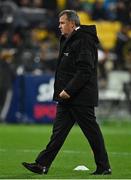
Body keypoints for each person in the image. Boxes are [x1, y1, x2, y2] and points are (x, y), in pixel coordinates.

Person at [22, 9, 111, 175]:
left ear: (72, 23)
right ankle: (42, 165)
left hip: (80, 96)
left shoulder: (84, 40)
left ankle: (104, 166)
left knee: (92, 133)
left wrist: (68, 90)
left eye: (62, 23)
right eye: (59, 23)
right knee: (58, 134)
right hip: (68, 97)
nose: (59, 26)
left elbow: (85, 70)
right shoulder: (68, 39)